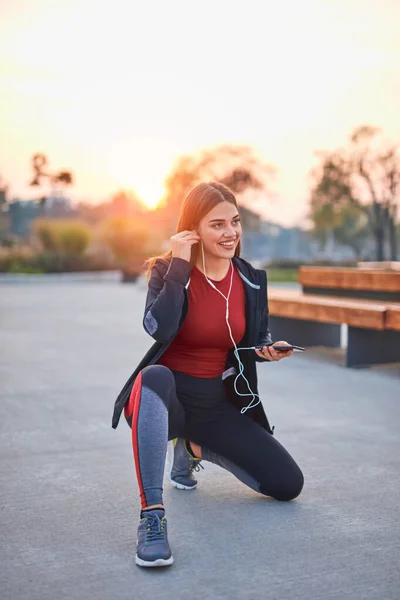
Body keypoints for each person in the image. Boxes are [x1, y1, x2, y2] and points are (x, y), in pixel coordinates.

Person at [112, 181, 304, 568]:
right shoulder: (167, 271)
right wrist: (180, 266)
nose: (230, 232)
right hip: (165, 402)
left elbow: (253, 335)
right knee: (153, 375)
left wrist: (267, 349)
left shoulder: (250, 278)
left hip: (216, 404)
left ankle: (189, 449)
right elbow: (158, 328)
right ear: (193, 230)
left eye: (234, 222)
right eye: (216, 225)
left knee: (287, 484)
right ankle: (152, 516)